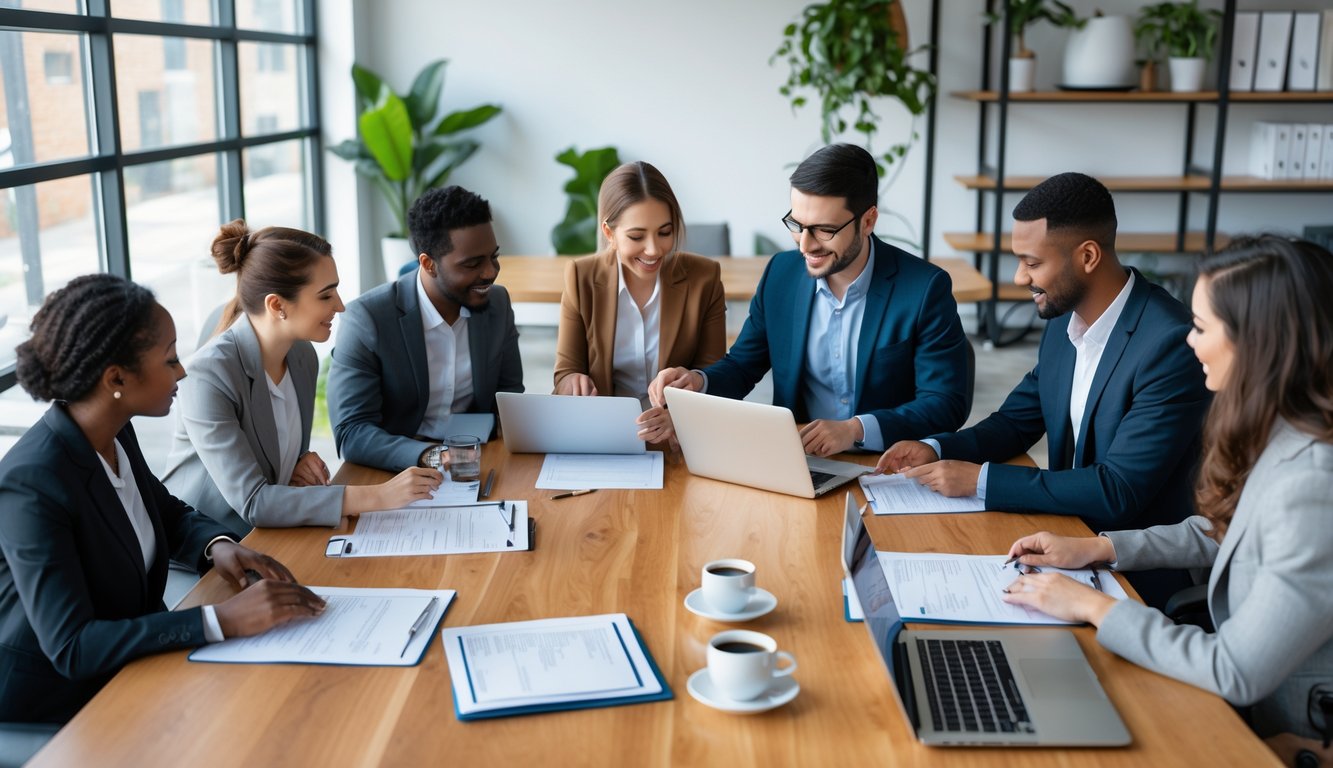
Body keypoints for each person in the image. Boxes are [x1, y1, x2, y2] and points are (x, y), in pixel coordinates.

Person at [1000, 236, 1333, 760]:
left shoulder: (1313, 482)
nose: (1189, 341)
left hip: (1288, 726)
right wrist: (1103, 549)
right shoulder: (1287, 430)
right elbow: (1234, 532)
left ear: (1260, 341)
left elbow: (1234, 669)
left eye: (1201, 327)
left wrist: (1092, 605)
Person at [874, 172, 1210, 608]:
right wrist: (936, 449)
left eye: (1032, 263)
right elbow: (1015, 422)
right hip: (1062, 538)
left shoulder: (1169, 344)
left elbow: (1119, 491)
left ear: (1088, 255)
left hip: (1133, 574)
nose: (1018, 277)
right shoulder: (1064, 324)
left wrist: (980, 480)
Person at [0, 275, 326, 724]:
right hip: (59, 706)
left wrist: (217, 546)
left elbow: (164, 512)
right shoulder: (31, 482)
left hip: (136, 666)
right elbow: (74, 646)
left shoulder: (114, 431)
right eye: (169, 358)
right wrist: (220, 620)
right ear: (116, 377)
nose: (182, 371)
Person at [649, 143, 971, 456]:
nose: (805, 245)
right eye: (797, 225)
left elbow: (945, 403)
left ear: (868, 221)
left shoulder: (925, 289)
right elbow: (743, 365)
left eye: (823, 230)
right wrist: (698, 381)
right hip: (800, 460)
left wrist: (855, 430)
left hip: (886, 464)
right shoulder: (781, 274)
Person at [162, 221, 443, 538]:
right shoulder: (208, 376)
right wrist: (381, 495)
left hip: (276, 532)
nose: (340, 305)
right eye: (325, 296)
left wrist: (295, 462)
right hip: (213, 544)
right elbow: (254, 501)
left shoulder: (302, 356)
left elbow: (270, 450)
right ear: (277, 305)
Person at [328, 186, 524, 472]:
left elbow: (508, 396)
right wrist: (433, 455)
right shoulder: (367, 319)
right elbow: (352, 432)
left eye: (493, 256)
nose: (490, 272)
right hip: (395, 471)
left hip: (477, 462)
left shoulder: (497, 303)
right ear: (428, 264)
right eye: (472, 264)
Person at [554, 161, 726, 443]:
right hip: (604, 435)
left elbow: (714, 375)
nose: (653, 249)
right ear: (609, 233)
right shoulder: (580, 277)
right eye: (636, 236)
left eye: (665, 232)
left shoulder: (703, 278)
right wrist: (572, 382)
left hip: (678, 439)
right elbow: (565, 372)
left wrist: (683, 406)